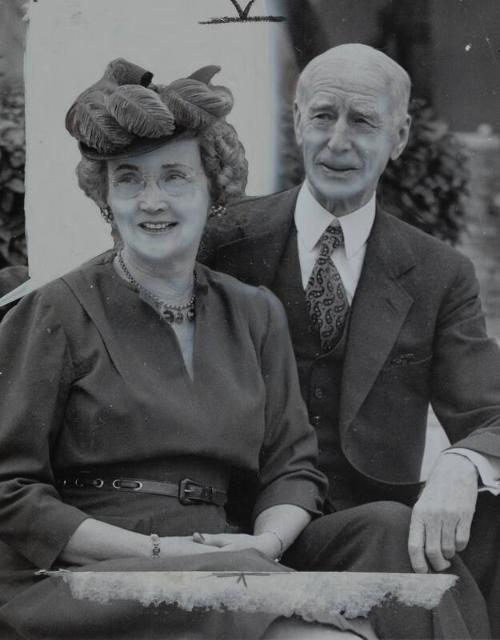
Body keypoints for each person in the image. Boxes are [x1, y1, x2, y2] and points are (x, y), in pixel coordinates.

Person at [0, 58, 369, 640]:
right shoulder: (54, 309)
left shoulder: (254, 312)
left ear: (212, 190)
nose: (152, 201)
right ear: (105, 197)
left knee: (388, 532)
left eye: (175, 176)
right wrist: (156, 551)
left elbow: (292, 468)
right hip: (89, 574)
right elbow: (10, 489)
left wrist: (264, 543)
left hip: (229, 559)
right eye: (129, 178)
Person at [201, 43, 500, 639]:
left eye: (363, 120)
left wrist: (462, 462)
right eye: (322, 115)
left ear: (400, 135)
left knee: (485, 509)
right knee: (393, 527)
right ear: (296, 123)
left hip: (367, 527)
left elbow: (491, 412)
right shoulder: (226, 240)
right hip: (242, 520)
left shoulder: (438, 272)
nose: (338, 141)